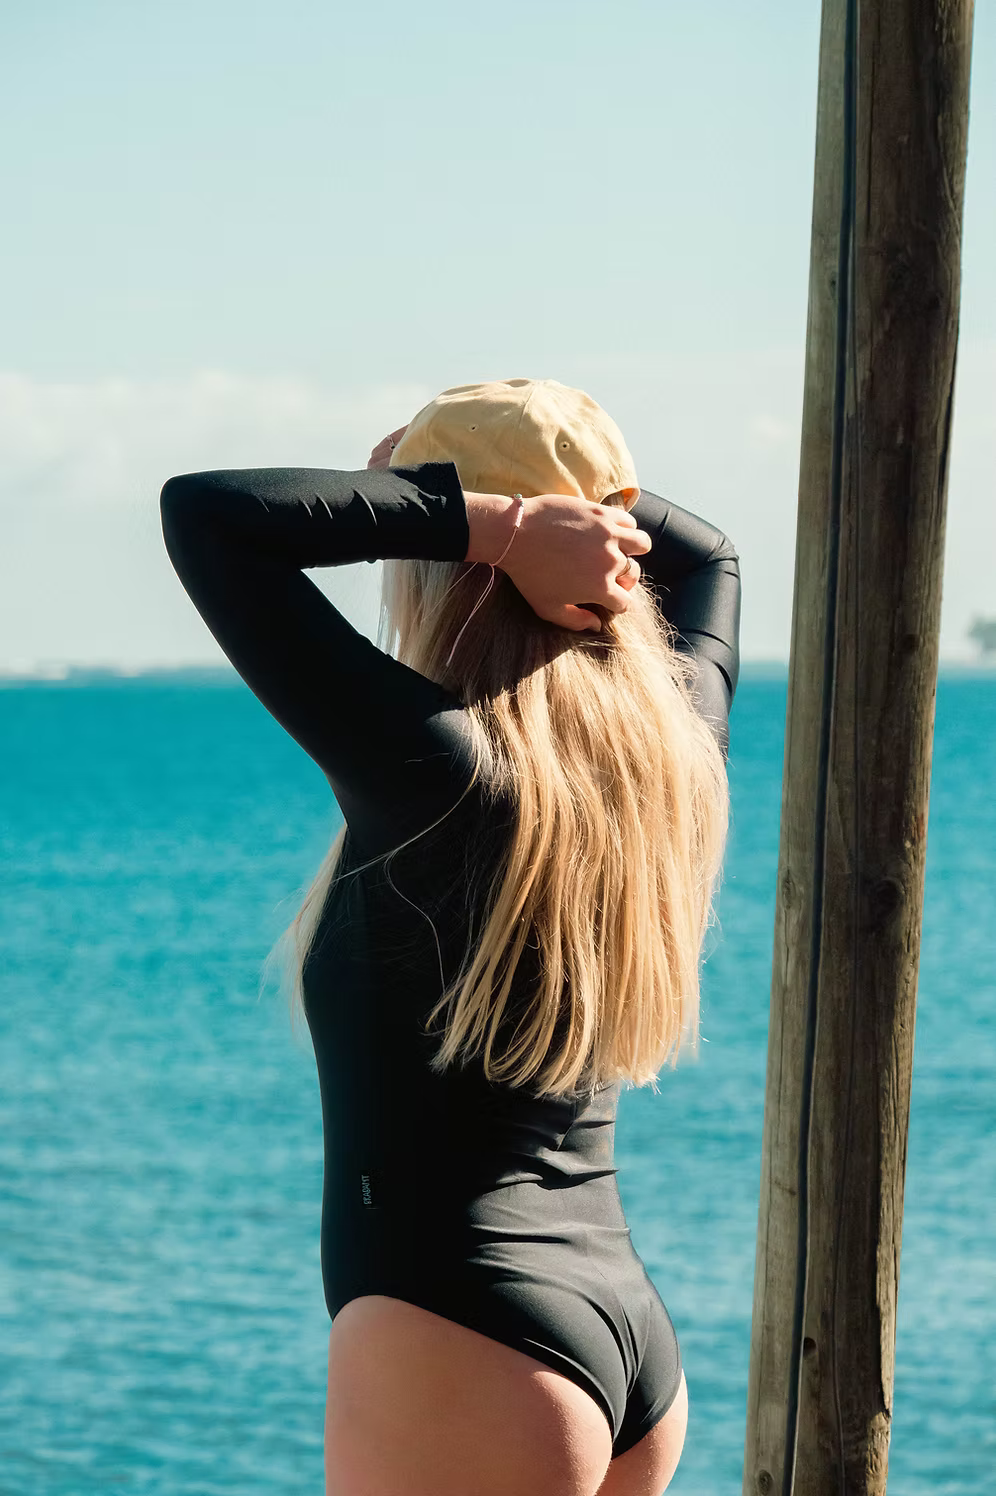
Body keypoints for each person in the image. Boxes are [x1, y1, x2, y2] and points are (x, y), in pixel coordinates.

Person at [160, 377, 740, 1496]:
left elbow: (208, 514)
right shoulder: (673, 763)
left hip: (465, 1332)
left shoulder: (443, 769)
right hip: (621, 1333)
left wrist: (492, 519)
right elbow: (710, 553)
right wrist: (574, 505)